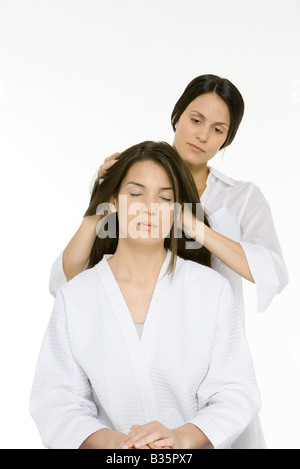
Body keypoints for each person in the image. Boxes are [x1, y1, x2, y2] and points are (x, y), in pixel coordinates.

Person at [48, 75, 288, 448]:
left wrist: (190, 221)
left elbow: (272, 271)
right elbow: (70, 282)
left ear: (227, 138)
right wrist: (102, 197)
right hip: (127, 373)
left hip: (206, 367)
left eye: (218, 129)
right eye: (195, 119)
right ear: (176, 115)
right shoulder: (135, 173)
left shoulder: (240, 199)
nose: (202, 135)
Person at [30, 141, 261, 449]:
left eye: (164, 198)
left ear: (179, 211)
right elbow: (56, 401)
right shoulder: (76, 297)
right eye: (136, 194)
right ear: (112, 202)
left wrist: (181, 438)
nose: (150, 208)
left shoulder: (211, 290)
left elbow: (236, 393)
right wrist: (111, 442)